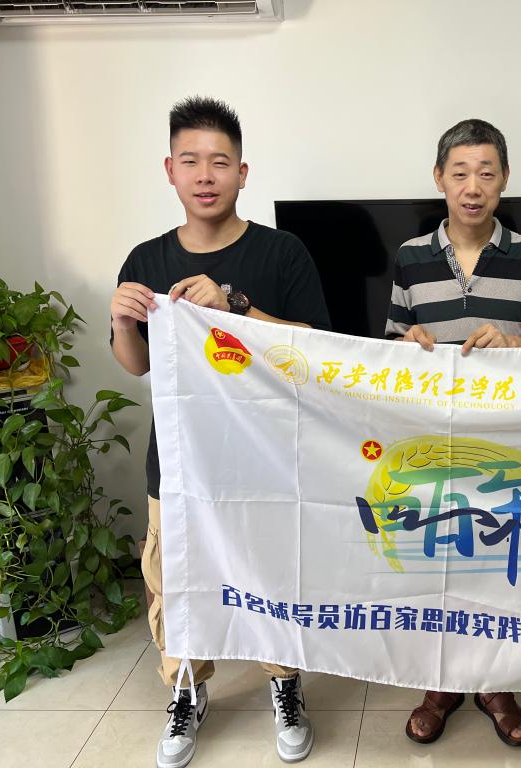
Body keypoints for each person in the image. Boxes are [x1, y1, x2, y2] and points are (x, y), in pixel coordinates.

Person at [110, 96, 331, 768]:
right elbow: (137, 364)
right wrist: (121, 321)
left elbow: (313, 347)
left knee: (272, 575)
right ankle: (186, 688)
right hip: (178, 462)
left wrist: (235, 305)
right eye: (191, 161)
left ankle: (284, 684)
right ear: (169, 171)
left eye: (219, 162)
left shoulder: (282, 252)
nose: (205, 175)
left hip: (264, 457)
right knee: (174, 581)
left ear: (243, 172)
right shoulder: (145, 258)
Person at [385, 118, 521, 747]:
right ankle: (440, 684)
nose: (472, 186)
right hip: (432, 441)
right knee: (435, 561)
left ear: (505, 179)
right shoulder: (410, 257)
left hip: (507, 442)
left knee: (498, 562)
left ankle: (496, 684)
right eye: (459, 172)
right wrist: (407, 341)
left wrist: (515, 343)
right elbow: (389, 347)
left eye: (486, 172)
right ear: (439, 178)